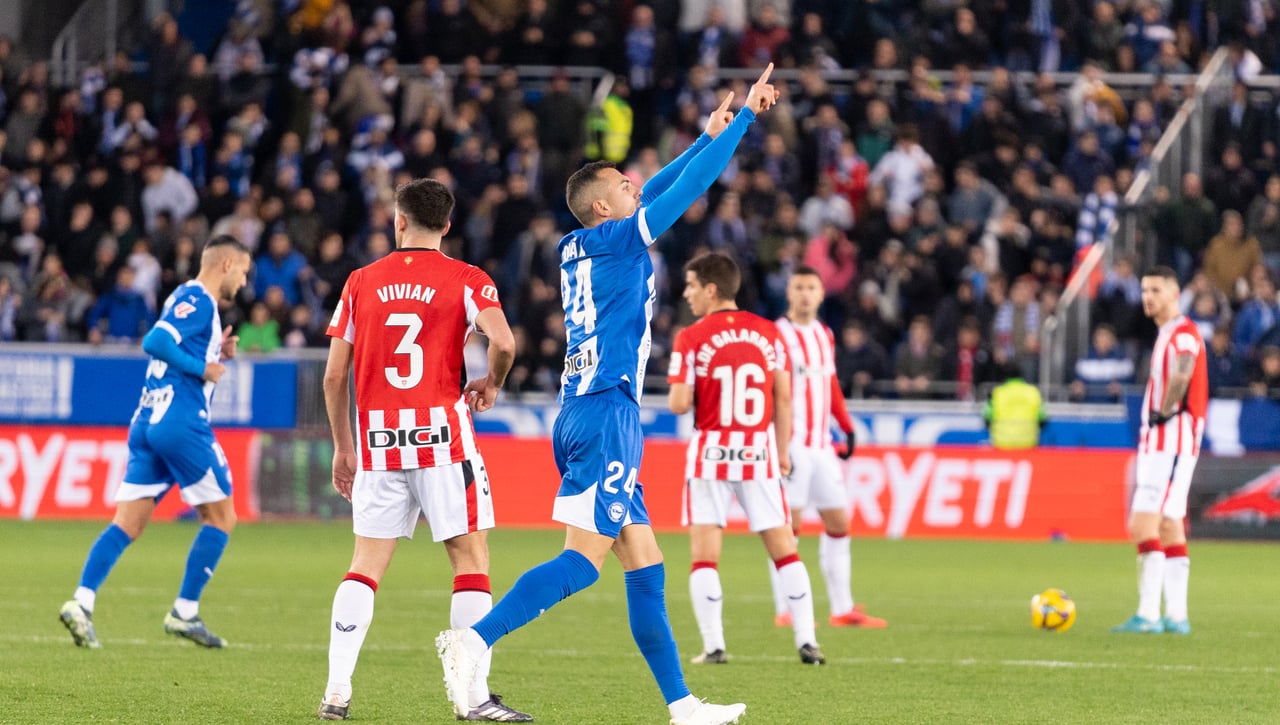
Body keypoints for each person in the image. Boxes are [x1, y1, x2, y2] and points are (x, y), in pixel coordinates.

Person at [437, 64, 782, 725]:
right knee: (583, 559)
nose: (635, 187)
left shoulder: (580, 243)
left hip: (584, 407)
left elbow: (657, 185)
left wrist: (704, 134)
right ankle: (471, 639)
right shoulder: (624, 237)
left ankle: (682, 704)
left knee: (646, 563)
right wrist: (742, 123)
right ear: (606, 205)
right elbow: (689, 191)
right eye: (623, 187)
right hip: (606, 410)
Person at [316, 179, 528, 722]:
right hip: (443, 438)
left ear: (399, 220)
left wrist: (345, 448)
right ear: (449, 226)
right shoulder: (467, 279)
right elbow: (503, 341)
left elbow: (334, 375)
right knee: (469, 561)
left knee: (365, 566)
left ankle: (337, 690)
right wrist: (493, 382)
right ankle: (471, 697)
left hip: (380, 440)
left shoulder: (361, 282)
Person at [58, 236, 252, 649]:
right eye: (244, 270)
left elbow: (174, 345)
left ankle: (81, 602)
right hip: (180, 421)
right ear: (227, 264)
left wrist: (219, 351)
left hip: (147, 420)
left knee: (126, 524)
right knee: (221, 518)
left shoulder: (186, 299)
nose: (245, 280)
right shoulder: (199, 299)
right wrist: (204, 366)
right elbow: (156, 342)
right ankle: (184, 612)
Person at [666, 252, 825, 667]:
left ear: (711, 289)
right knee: (785, 549)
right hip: (758, 451)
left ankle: (714, 646)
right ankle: (807, 640)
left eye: (691, 286)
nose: (687, 294)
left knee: (704, 555)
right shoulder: (771, 334)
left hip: (710, 453)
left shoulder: (691, 337)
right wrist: (784, 450)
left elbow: (679, 404)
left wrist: (692, 388)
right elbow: (784, 397)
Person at [770, 266, 887, 630]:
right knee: (788, 528)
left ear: (821, 294)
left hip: (822, 446)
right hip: (792, 446)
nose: (805, 294)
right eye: (799, 287)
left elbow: (830, 382)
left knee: (838, 523)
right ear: (789, 293)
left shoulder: (824, 334)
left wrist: (846, 425)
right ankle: (786, 608)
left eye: (811, 288)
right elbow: (770, 390)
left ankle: (842, 608)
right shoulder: (777, 334)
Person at [1112, 266, 1208, 635]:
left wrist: (1162, 411)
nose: (1147, 297)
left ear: (1174, 292)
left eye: (1154, 289)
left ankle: (1150, 614)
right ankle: (1176, 616)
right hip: (1168, 442)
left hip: (1172, 441)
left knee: (1143, 522)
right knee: (1168, 524)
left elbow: (1183, 373)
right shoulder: (1168, 332)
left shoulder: (1183, 333)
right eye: (1143, 290)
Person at [981, 369, 1047, 449]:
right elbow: (1043, 419)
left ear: (1006, 378)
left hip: (1001, 443)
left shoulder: (997, 392)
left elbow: (987, 418)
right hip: (1028, 443)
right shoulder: (1033, 392)